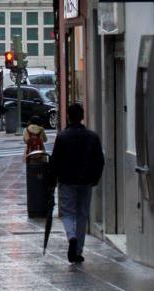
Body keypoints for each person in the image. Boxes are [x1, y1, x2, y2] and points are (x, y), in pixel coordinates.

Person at [47, 102, 104, 263]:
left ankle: (71, 237)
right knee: (82, 214)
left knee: (68, 212)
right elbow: (100, 160)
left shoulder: (63, 137)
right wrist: (95, 178)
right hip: (86, 181)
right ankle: (78, 250)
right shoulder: (92, 137)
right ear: (82, 117)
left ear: (69, 118)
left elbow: (55, 162)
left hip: (67, 181)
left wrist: (52, 182)